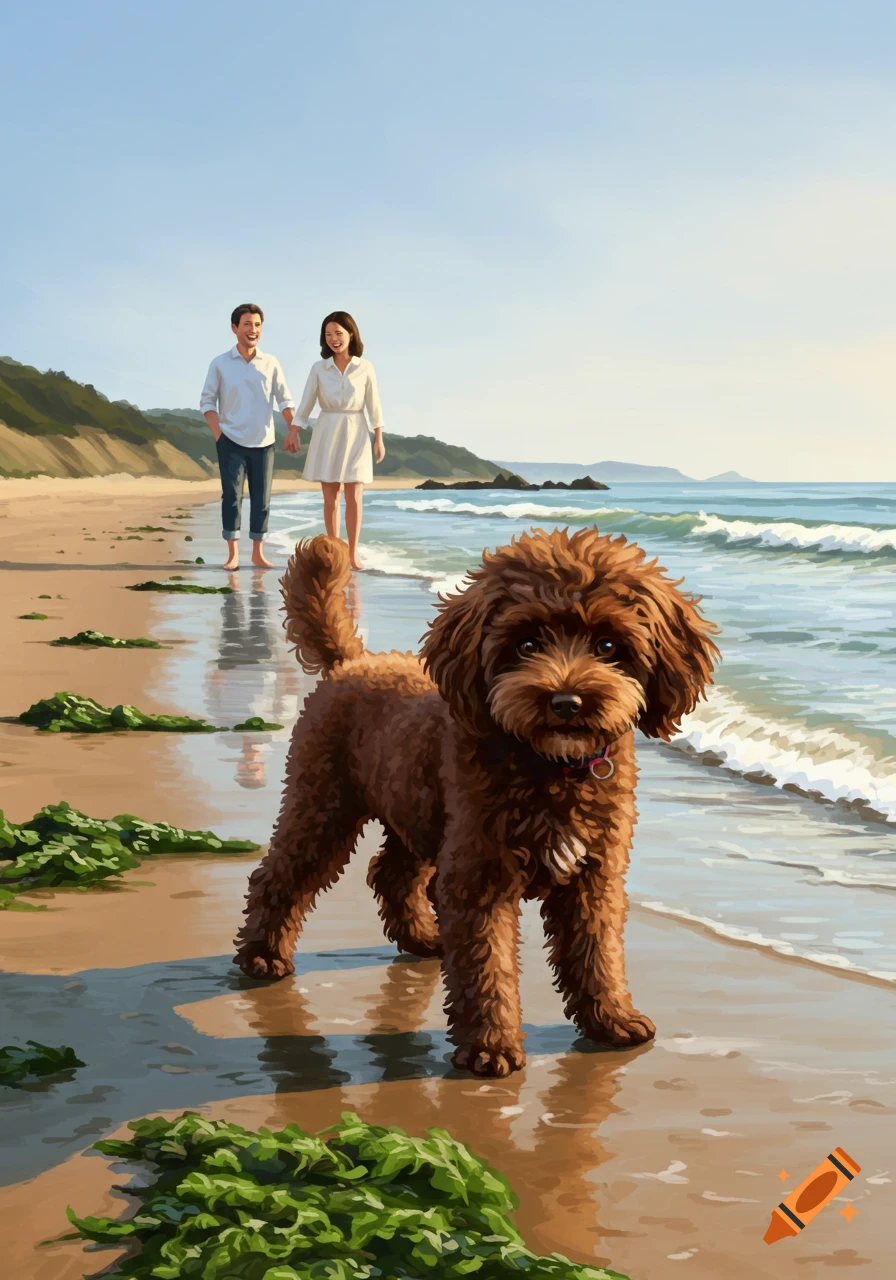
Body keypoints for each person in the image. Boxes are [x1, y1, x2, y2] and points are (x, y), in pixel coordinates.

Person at [200, 303, 299, 570]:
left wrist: (293, 429)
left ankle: (257, 553)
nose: (253, 330)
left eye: (257, 325)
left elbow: (285, 400)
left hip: (264, 442)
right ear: (234, 329)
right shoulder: (220, 363)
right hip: (230, 441)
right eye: (247, 324)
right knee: (231, 497)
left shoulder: (271, 363)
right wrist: (219, 435)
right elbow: (207, 403)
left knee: (262, 499)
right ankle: (233, 555)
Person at [294, 311, 386, 570]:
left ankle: (353, 553)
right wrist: (294, 430)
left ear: (351, 334)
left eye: (338, 333)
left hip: (357, 428)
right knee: (331, 496)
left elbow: (374, 404)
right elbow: (306, 402)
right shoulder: (319, 368)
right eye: (328, 334)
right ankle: (334, 550)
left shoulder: (365, 367)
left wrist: (378, 437)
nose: (334, 339)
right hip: (328, 428)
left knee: (355, 495)